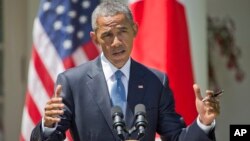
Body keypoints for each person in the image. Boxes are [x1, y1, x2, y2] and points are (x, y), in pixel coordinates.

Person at [31, 1, 220, 141]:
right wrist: (47, 126)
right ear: (95, 38)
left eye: (122, 31)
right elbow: (52, 137)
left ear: (135, 29)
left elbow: (176, 138)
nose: (116, 42)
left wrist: (203, 122)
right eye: (107, 35)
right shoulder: (72, 81)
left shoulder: (156, 81)